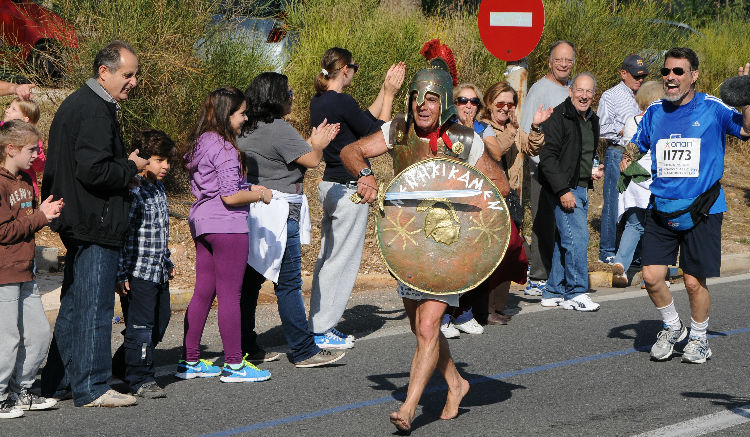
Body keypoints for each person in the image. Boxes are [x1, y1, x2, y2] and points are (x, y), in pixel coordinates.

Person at [340, 39, 526, 432]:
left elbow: (501, 189)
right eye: (415, 98)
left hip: (450, 243)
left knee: (428, 328)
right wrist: (366, 175)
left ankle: (409, 408)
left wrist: (456, 186)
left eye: (430, 98)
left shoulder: (465, 140)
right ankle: (456, 383)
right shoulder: (399, 130)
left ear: (443, 100)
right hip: (409, 243)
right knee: (417, 326)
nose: (421, 105)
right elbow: (351, 152)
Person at [40, 41, 148, 408]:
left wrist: (124, 169)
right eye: (127, 74)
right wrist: (132, 166)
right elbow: (94, 170)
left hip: (83, 217)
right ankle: (92, 386)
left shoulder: (86, 105)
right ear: (105, 72)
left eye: (135, 74)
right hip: (93, 221)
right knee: (96, 307)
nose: (133, 81)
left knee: (75, 304)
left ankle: (58, 382)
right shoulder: (93, 110)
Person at [627, 48, 749, 363]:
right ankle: (673, 327)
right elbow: (636, 147)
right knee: (652, 277)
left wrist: (747, 97)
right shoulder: (654, 111)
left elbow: (747, 129)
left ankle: (698, 338)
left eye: (679, 72)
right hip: (661, 207)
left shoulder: (712, 108)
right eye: (667, 71)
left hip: (703, 208)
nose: (671, 77)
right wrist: (623, 164)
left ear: (693, 75)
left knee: (693, 281)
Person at [238, 72, 346, 368]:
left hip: (256, 209)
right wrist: (319, 142)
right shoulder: (279, 128)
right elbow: (311, 159)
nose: (293, 96)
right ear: (275, 97)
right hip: (281, 210)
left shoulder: (246, 128)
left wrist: (311, 141)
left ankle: (246, 345)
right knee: (288, 283)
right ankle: (303, 349)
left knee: (251, 281)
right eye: (289, 91)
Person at [307, 48, 405, 349]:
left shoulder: (321, 101)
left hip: (330, 185)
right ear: (345, 70)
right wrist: (390, 96)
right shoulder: (342, 101)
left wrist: (384, 91)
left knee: (329, 258)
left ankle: (319, 323)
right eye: (355, 67)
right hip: (351, 188)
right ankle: (323, 329)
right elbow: (377, 134)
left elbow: (363, 117)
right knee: (342, 261)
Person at [179, 86, 272, 383]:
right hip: (227, 226)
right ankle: (234, 364)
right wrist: (260, 195)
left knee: (203, 292)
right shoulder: (226, 148)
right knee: (230, 295)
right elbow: (230, 197)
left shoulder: (201, 142)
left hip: (203, 223)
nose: (245, 118)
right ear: (227, 114)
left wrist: (247, 190)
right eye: (242, 113)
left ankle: (190, 359)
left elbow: (217, 187)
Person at [0, 120, 63, 419]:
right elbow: (3, 231)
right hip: (4, 273)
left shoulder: (26, 180)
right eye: (31, 149)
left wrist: (45, 212)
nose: (37, 155)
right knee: (7, 338)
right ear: (10, 149)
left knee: (38, 333)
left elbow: (28, 221)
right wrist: (39, 217)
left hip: (26, 269)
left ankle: (21, 390)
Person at [475, 81, 551, 322]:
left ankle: (498, 307)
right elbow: (497, 151)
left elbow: (532, 148)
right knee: (493, 256)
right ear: (489, 104)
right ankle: (484, 309)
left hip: (513, 198)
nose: (505, 108)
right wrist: (512, 130)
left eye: (510, 104)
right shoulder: (483, 129)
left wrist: (536, 127)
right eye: (500, 103)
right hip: (491, 199)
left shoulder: (513, 128)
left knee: (509, 256)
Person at [111, 130, 176, 398]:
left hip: (157, 269)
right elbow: (126, 236)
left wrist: (167, 260)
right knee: (141, 327)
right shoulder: (134, 190)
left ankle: (118, 366)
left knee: (160, 321)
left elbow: (159, 230)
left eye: (167, 161)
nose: (166, 166)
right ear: (143, 159)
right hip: (137, 273)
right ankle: (141, 379)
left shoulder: (158, 188)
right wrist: (121, 273)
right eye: (159, 160)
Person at [538, 72, 603, 312]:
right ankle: (576, 291)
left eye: (588, 92)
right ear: (570, 91)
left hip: (581, 185)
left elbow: (583, 153)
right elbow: (548, 158)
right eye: (580, 90)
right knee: (578, 238)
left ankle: (553, 289)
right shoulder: (558, 117)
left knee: (564, 240)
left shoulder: (592, 119)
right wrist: (564, 190)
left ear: (593, 94)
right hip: (564, 188)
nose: (584, 96)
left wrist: (591, 170)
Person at [520, 40, 577, 296]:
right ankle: (538, 276)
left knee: (563, 225)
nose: (564, 64)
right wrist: (540, 166)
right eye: (559, 60)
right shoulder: (539, 90)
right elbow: (526, 129)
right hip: (543, 169)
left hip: (567, 172)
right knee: (543, 223)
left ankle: (558, 275)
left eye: (568, 60)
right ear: (549, 62)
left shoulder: (572, 90)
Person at [611, 81, 664, 287]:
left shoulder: (630, 120)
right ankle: (649, 275)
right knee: (657, 228)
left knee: (634, 225)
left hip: (632, 180)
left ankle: (620, 264)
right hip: (652, 179)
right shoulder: (661, 121)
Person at [597, 54, 649, 265]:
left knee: (638, 203)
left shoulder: (646, 94)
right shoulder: (610, 96)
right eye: (636, 76)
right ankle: (607, 250)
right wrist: (626, 129)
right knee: (613, 201)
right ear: (623, 74)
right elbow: (601, 126)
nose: (640, 80)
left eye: (643, 76)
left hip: (642, 154)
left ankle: (634, 253)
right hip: (618, 150)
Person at [3, 98, 44, 198]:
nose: (7, 110)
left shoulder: (33, 140)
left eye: (13, 109)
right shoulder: (2, 131)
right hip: (4, 186)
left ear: (25, 119)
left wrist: (34, 151)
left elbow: (40, 167)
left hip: (25, 190)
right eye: (9, 107)